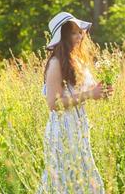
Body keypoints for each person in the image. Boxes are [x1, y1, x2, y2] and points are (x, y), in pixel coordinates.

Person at [36, 12, 114, 194]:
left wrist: (102, 91)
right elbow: (54, 104)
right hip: (63, 130)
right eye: (73, 32)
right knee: (62, 182)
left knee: (83, 180)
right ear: (62, 36)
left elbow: (89, 90)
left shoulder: (77, 61)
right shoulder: (55, 63)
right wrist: (89, 94)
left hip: (79, 129)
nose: (79, 36)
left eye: (80, 32)